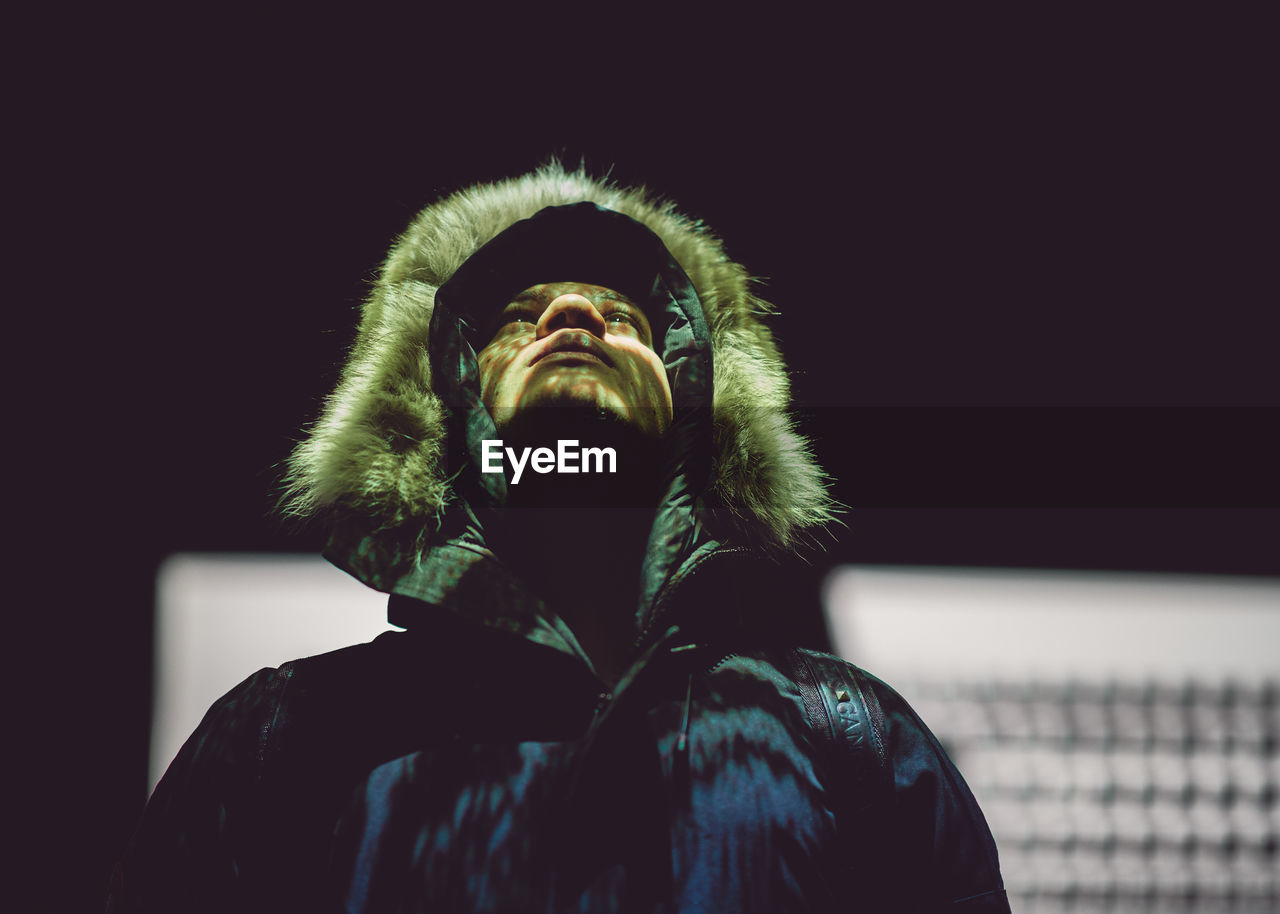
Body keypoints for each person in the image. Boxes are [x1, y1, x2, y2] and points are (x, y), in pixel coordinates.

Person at [108, 163, 1009, 912]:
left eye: (624, 317)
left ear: (696, 403)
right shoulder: (285, 740)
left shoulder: (845, 739)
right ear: (439, 401)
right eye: (516, 314)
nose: (573, 318)